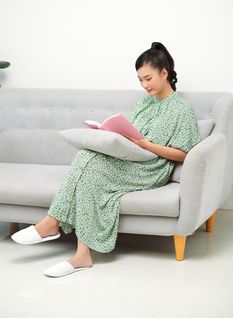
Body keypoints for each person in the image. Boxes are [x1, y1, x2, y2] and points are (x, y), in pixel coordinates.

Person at [11, 42, 201, 277]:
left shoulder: (181, 108)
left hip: (152, 168)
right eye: (140, 80)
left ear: (164, 73)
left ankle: (55, 228)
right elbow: (134, 134)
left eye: (148, 78)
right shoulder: (144, 103)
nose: (144, 85)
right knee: (86, 156)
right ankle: (75, 248)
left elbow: (183, 153)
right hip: (131, 158)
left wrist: (145, 145)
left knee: (90, 168)